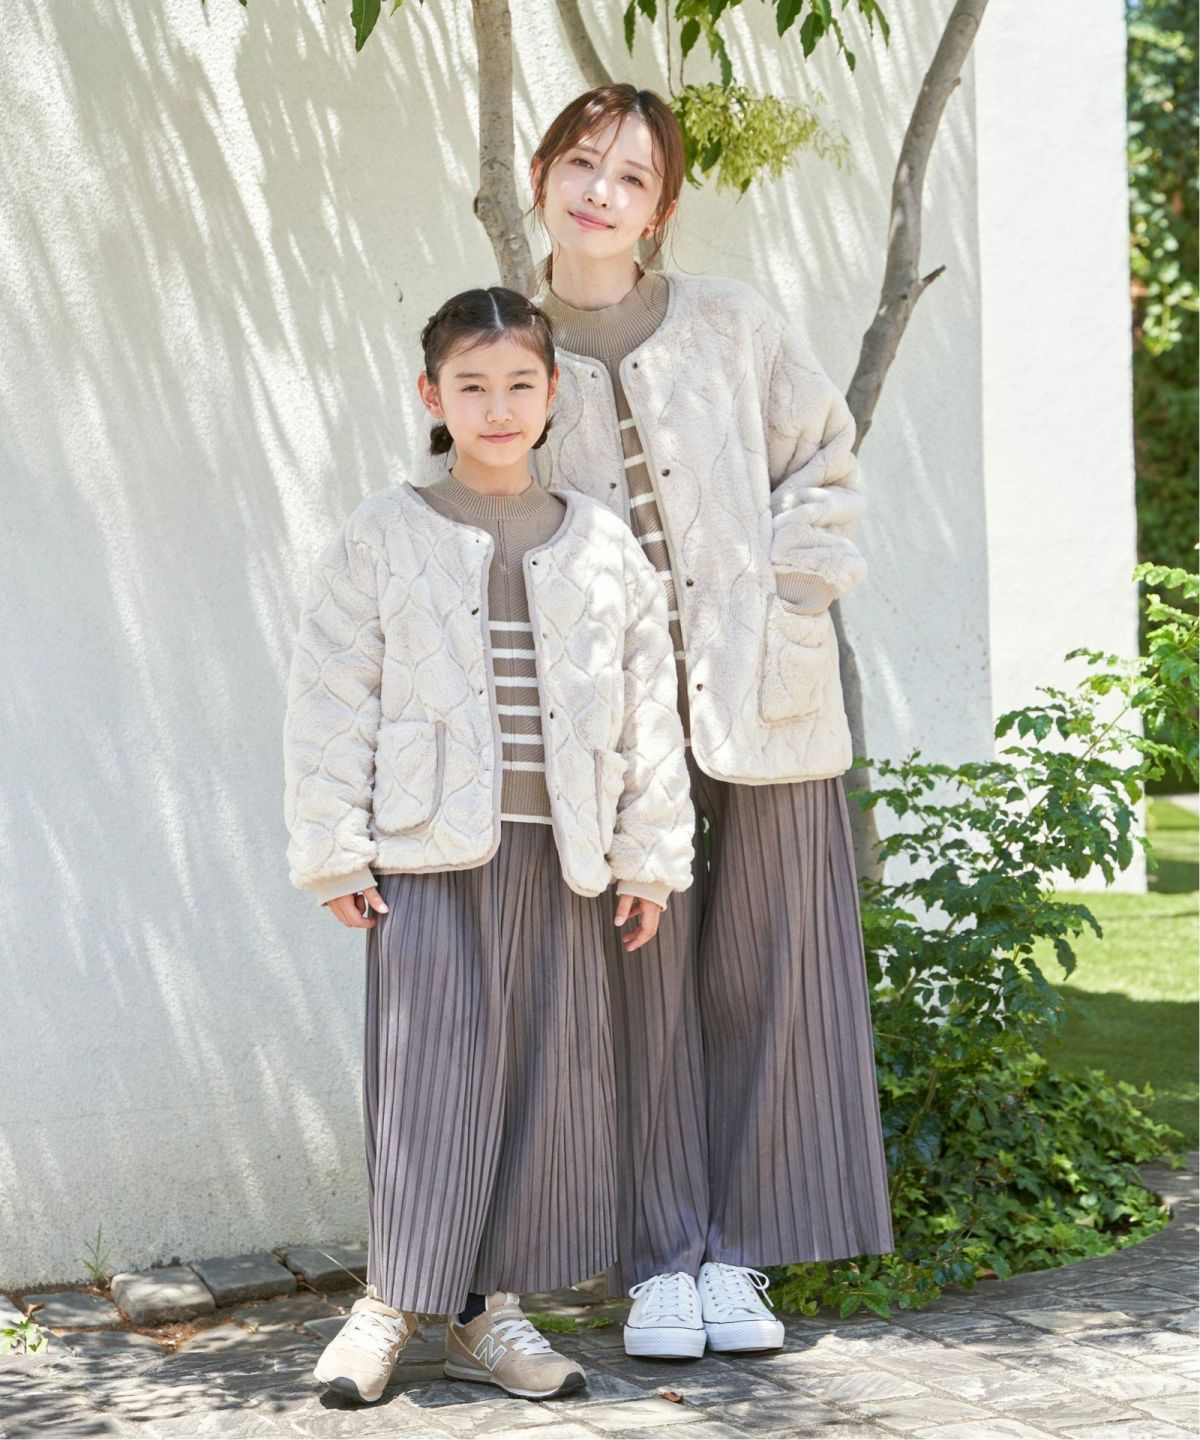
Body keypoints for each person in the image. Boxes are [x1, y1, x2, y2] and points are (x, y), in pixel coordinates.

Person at [418, 84, 895, 1361]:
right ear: (540, 175)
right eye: (583, 164)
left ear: (661, 206)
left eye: (632, 177)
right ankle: (661, 1258)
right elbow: (471, 509)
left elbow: (824, 461)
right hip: (614, 726)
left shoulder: (733, 322)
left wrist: (793, 593)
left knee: (771, 971)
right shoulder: (512, 349)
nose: (601, 193)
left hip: (762, 695)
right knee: (641, 988)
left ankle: (738, 1255)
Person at [282, 285, 693, 1403]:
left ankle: (490, 1315)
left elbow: (647, 711)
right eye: (473, 385)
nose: (499, 407)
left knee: (538, 1085)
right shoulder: (383, 533)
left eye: (520, 384)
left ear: (553, 394)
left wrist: (650, 857)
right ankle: (388, 1304)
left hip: (565, 857)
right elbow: (331, 698)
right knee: (428, 1079)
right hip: (427, 857)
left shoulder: (601, 542)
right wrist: (335, 851)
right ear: (433, 395)